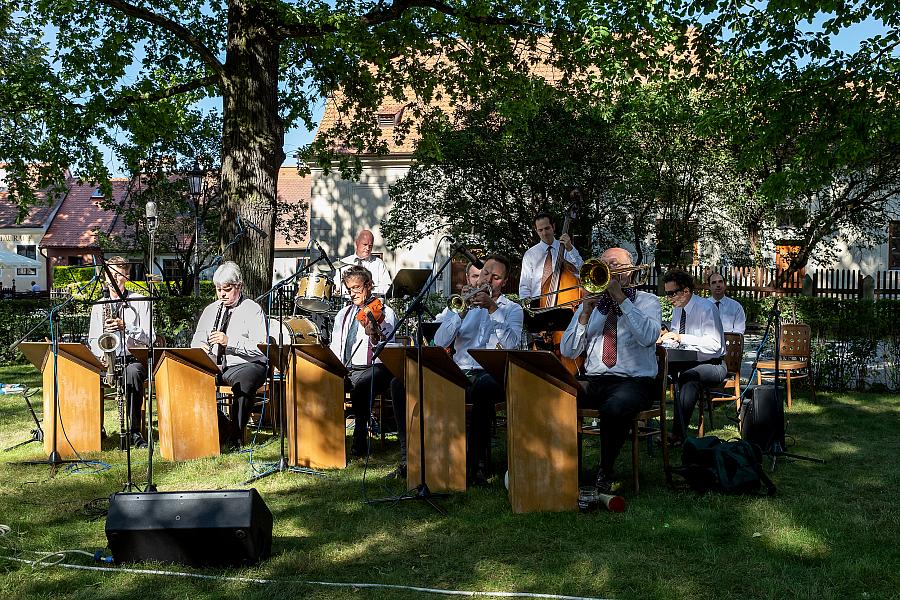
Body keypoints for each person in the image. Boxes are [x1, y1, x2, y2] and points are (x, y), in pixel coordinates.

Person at [559, 248, 662, 493]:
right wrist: (584, 315)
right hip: (594, 379)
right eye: (603, 263)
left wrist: (621, 299)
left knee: (615, 408)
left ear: (629, 270)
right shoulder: (593, 306)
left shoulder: (648, 302)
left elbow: (648, 337)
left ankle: (604, 471)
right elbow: (569, 351)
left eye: (614, 263)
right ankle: (564, 467)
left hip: (635, 382)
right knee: (558, 397)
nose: (608, 267)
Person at [434, 254, 523, 484]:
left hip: (492, 373)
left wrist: (493, 309)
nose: (488, 280)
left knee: (482, 388)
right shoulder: (462, 304)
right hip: (461, 371)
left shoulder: (512, 309)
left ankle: (475, 466)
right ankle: (418, 460)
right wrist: (459, 314)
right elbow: (440, 341)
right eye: (485, 274)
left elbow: (511, 345)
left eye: (495, 277)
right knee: (418, 381)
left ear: (503, 282)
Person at [191, 262, 269, 450]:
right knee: (190, 381)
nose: (222, 294)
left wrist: (229, 342)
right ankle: (223, 428)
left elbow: (261, 347)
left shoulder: (252, 309)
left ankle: (236, 437)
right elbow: (196, 341)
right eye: (218, 290)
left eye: (227, 289)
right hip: (216, 365)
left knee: (244, 383)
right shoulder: (211, 310)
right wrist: (203, 348)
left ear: (239, 286)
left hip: (246, 363)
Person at [329, 265, 398, 458]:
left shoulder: (384, 312)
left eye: (356, 288)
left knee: (362, 386)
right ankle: (326, 440)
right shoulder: (343, 314)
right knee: (323, 382)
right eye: (349, 289)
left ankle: (359, 441)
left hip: (375, 367)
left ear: (368, 286)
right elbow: (337, 344)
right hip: (347, 367)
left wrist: (374, 335)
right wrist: (333, 367)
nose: (352, 293)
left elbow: (386, 345)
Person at [88, 257, 151, 448]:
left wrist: (126, 327)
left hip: (133, 358)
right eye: (109, 275)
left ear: (127, 276)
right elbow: (92, 339)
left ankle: (135, 431)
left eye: (117, 274)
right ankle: (93, 430)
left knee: (132, 373)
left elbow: (149, 337)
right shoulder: (99, 304)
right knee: (84, 375)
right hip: (107, 359)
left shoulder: (140, 301)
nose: (113, 279)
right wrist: (101, 355)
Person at [659, 269, 727, 443]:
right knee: (653, 368)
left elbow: (715, 345)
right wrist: (666, 340)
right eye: (666, 293)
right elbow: (677, 342)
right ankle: (637, 422)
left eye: (671, 293)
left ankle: (678, 435)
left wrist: (681, 337)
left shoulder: (706, 308)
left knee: (688, 378)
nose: (668, 298)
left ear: (686, 291)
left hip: (714, 364)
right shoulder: (678, 309)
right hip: (688, 361)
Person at [518, 212, 584, 302]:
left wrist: (570, 249)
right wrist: (527, 305)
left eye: (547, 228)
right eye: (540, 230)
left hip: (564, 301)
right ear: (536, 230)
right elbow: (525, 285)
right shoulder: (530, 254)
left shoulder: (566, 248)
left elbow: (581, 271)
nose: (544, 233)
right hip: (537, 303)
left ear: (553, 226)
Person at [338, 229, 392, 297]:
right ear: (357, 243)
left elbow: (388, 287)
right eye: (365, 244)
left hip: (373, 304)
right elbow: (338, 287)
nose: (367, 248)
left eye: (370, 246)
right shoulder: (343, 263)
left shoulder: (379, 264)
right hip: (349, 303)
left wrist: (369, 290)